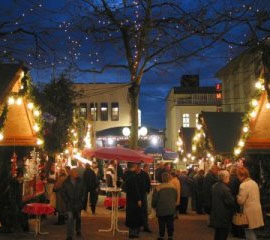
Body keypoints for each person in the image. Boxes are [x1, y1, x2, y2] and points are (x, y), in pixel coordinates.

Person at [237, 167, 264, 240]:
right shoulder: (254, 183)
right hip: (256, 209)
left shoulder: (243, 185)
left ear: (242, 175)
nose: (238, 177)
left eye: (238, 176)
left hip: (248, 212)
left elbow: (241, 201)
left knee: (248, 231)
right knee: (251, 230)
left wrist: (237, 197)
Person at [61, 168, 86, 240]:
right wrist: (66, 200)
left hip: (78, 203)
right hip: (69, 204)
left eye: (77, 172)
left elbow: (84, 190)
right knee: (70, 218)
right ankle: (69, 235)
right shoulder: (66, 182)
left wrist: (82, 200)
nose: (77, 174)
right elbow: (63, 192)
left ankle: (78, 230)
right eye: (75, 172)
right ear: (71, 174)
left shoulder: (81, 181)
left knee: (78, 217)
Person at [210, 170, 235, 240]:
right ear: (225, 177)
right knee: (223, 235)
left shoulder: (214, 186)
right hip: (224, 215)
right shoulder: (225, 189)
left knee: (217, 233)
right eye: (228, 177)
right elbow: (231, 202)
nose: (229, 179)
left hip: (216, 214)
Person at [152, 172, 177, 240]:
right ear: (169, 178)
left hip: (161, 208)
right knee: (170, 223)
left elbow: (155, 199)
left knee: (161, 223)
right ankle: (170, 236)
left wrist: (153, 205)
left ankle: (161, 236)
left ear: (162, 179)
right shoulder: (173, 187)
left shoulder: (158, 187)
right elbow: (175, 197)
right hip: (171, 208)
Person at [123, 163, 142, 239]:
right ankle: (134, 233)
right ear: (134, 166)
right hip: (135, 199)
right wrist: (139, 199)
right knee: (136, 215)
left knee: (130, 215)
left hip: (129, 198)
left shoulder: (125, 175)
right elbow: (136, 189)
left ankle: (131, 232)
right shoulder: (134, 176)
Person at [228, 165, 244, 238]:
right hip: (235, 198)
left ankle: (233, 230)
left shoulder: (229, 178)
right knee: (237, 216)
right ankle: (237, 232)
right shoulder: (237, 179)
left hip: (230, 198)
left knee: (232, 215)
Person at [137, 163, 152, 233]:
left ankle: (143, 225)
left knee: (143, 211)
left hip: (141, 194)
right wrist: (147, 190)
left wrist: (146, 190)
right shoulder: (144, 174)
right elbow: (148, 184)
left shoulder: (140, 174)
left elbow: (148, 184)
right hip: (141, 194)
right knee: (142, 211)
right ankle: (142, 225)